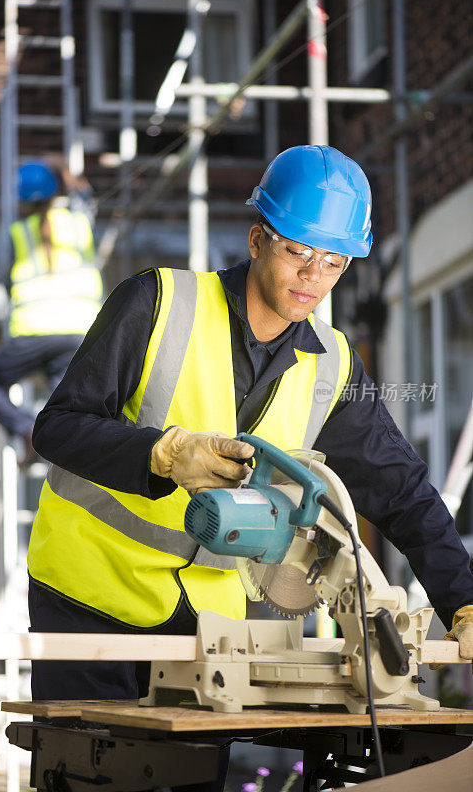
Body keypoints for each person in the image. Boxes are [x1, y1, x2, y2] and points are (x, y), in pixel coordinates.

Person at [27, 145, 473, 789]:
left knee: (187, 781)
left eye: (335, 261)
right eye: (298, 251)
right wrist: (160, 453)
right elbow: (58, 427)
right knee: (96, 778)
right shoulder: (157, 303)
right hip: (89, 603)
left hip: (207, 632)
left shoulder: (332, 366)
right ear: (258, 237)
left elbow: (402, 491)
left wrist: (463, 601)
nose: (314, 276)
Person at [0, 159, 103, 464]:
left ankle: (28, 430)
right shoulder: (80, 222)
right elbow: (86, 193)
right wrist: (59, 164)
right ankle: (61, 448)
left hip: (34, 332)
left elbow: (7, 283)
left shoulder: (18, 233)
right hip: (81, 332)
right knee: (64, 400)